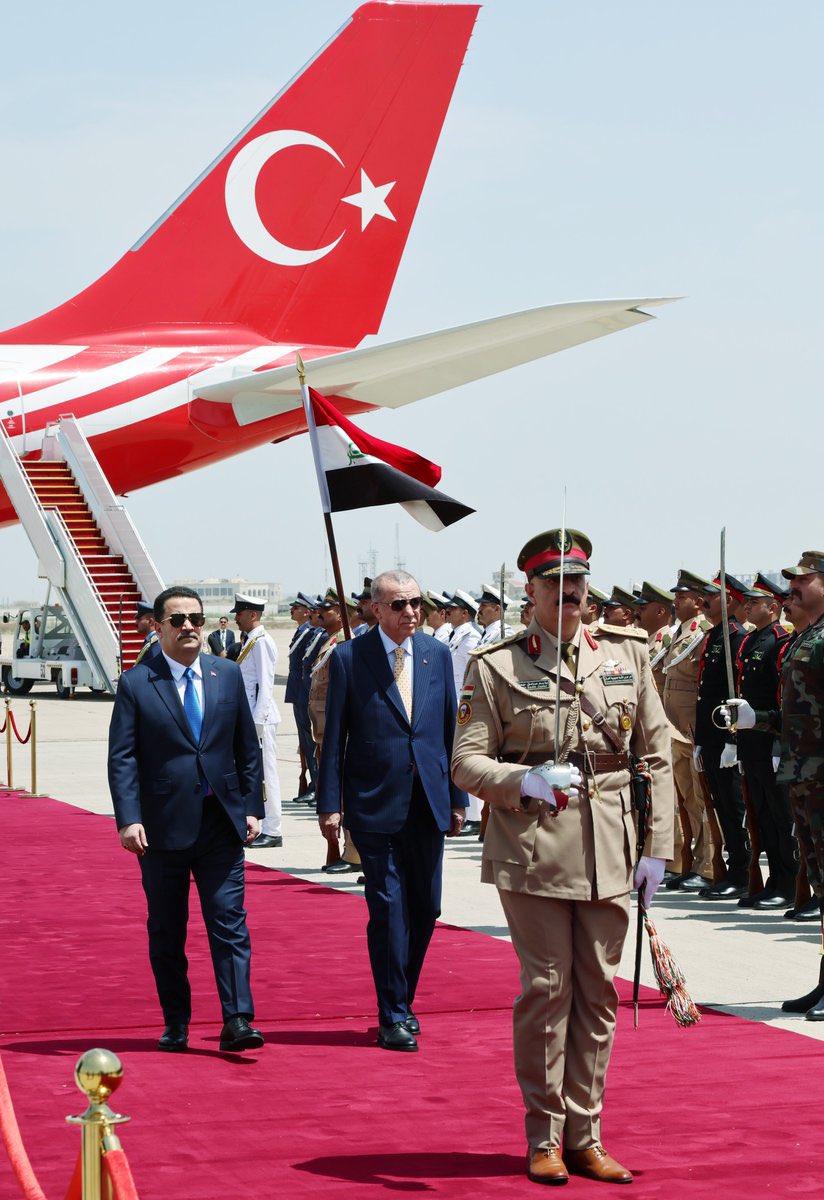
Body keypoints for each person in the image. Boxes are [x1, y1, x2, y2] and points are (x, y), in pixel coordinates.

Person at [451, 528, 673, 1186]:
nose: (570, 593)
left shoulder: (628, 656)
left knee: (600, 995)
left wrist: (658, 847)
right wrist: (522, 783)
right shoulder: (496, 665)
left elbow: (655, 756)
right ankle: (544, 1134)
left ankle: (587, 1133)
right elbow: (465, 760)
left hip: (611, 842)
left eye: (578, 581)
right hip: (534, 844)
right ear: (532, 590)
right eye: (555, 583)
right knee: (549, 992)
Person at [107, 585, 264, 1054]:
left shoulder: (226, 674)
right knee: (167, 930)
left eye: (195, 618)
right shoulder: (137, 682)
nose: (189, 627)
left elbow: (246, 748)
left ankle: (237, 1019)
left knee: (229, 921)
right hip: (160, 830)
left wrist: (252, 806)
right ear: (158, 627)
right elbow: (123, 758)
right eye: (177, 620)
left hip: (220, 823)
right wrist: (128, 818)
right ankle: (176, 1020)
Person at [316, 570, 467, 1052]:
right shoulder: (349, 658)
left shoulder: (437, 654)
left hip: (429, 801)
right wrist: (330, 805)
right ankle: (392, 1013)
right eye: (399, 605)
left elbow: (448, 731)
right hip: (373, 802)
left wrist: (459, 797)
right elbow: (333, 738)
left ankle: (403, 998)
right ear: (375, 609)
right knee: (387, 908)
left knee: (426, 907)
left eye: (416, 603)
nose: (411, 613)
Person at [724, 551, 824, 1018]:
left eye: (804, 579)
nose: (794, 587)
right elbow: (800, 715)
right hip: (805, 777)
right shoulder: (808, 636)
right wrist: (757, 719)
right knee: (821, 885)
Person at [734, 575, 795, 909]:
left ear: (773, 607)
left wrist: (776, 744)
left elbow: (779, 695)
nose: (747, 606)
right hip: (750, 741)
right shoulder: (752, 640)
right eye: (747, 602)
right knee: (761, 814)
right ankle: (773, 882)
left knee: (779, 814)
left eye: (754, 603)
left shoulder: (779, 640)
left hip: (769, 739)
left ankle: (787, 882)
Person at [694, 577, 749, 899]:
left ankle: (743, 872)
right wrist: (703, 738)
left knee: (734, 806)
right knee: (722, 806)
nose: (705, 600)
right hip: (712, 737)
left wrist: (733, 740)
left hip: (726, 737)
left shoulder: (734, 636)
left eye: (712, 596)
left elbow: (734, 692)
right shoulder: (715, 635)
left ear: (730, 600)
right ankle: (734, 870)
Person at [660, 570, 714, 891]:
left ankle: (708, 864)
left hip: (692, 726)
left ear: (697, 601)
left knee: (701, 796)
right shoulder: (677, 633)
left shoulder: (702, 632)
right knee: (684, 798)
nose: (675, 602)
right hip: (673, 726)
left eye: (681, 597)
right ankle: (687, 860)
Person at [232, 592, 282, 849]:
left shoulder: (261, 642)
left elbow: (266, 682)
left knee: (267, 773)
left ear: (253, 614)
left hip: (260, 718)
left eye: (239, 614)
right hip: (250, 717)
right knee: (254, 773)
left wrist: (257, 722)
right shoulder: (250, 640)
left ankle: (274, 829)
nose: (236, 618)